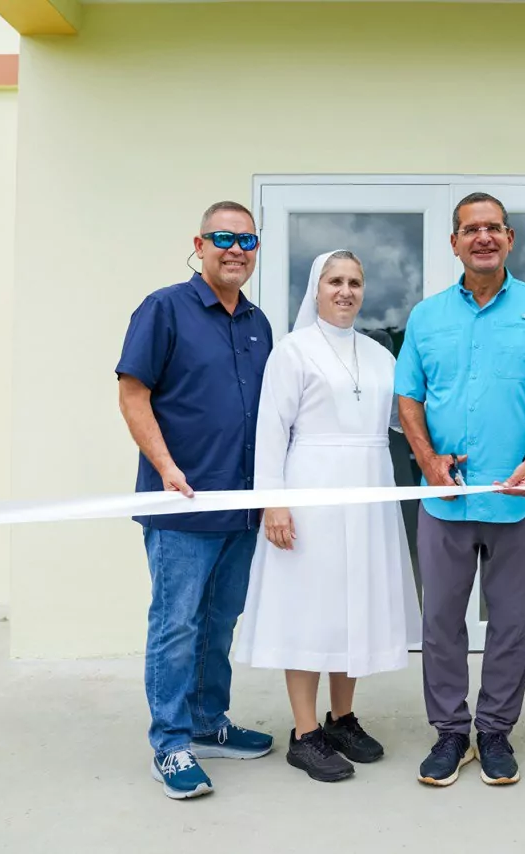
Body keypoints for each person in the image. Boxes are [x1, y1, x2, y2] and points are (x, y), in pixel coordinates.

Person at [395, 192, 525, 787]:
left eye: (494, 228)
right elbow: (408, 396)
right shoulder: (426, 316)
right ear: (453, 242)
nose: (483, 237)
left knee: (509, 623)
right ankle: (451, 733)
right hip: (445, 499)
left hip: (518, 497)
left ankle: (496, 731)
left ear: (510, 239)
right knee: (441, 622)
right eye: (470, 229)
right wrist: (426, 461)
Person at [234, 250, 420, 783]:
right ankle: (305, 731)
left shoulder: (380, 353)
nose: (346, 291)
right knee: (309, 606)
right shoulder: (292, 352)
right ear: (316, 288)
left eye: (355, 282)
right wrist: (273, 501)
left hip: (368, 488)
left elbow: (404, 420)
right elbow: (271, 431)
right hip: (311, 487)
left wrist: (445, 451)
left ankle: (341, 719)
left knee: (352, 603)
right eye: (335, 281)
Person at [115, 201, 275, 800]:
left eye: (247, 240)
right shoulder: (164, 308)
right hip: (180, 502)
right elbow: (133, 394)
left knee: (219, 619)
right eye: (224, 237)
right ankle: (171, 745)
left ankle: (209, 724)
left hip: (241, 504)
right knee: (175, 623)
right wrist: (166, 468)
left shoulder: (258, 323)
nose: (236, 249)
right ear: (199, 243)